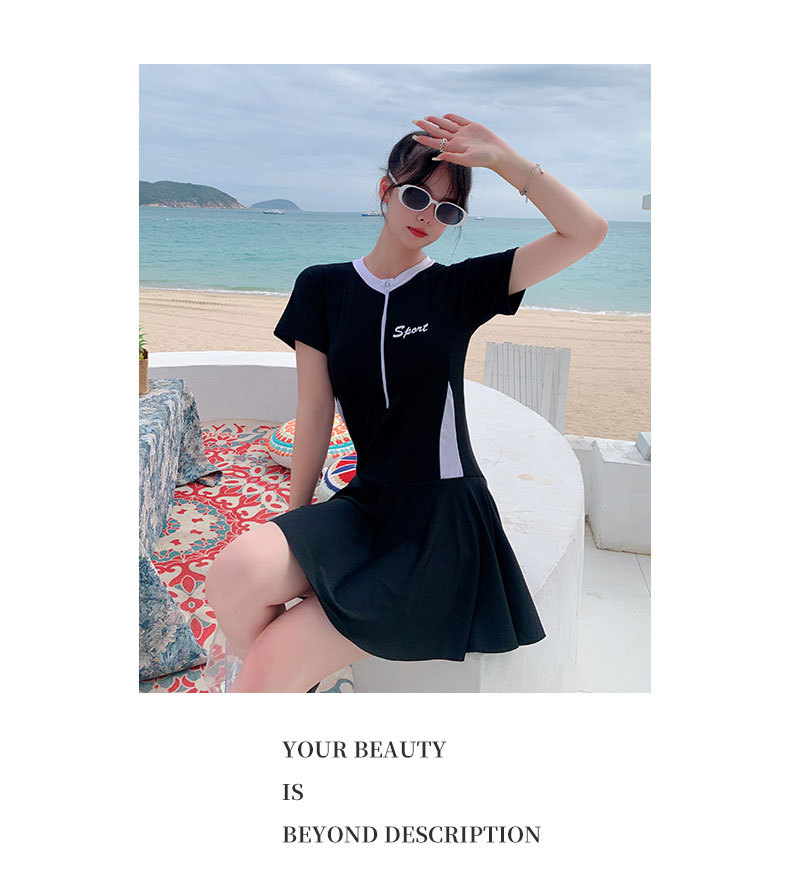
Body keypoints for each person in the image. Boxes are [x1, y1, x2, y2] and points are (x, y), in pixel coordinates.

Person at [205, 112, 608, 693]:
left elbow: (586, 231)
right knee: (230, 575)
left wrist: (504, 161)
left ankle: (297, 678)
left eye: (448, 210)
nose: (427, 216)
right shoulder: (322, 288)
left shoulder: (456, 290)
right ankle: (310, 682)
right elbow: (314, 412)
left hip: (440, 523)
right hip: (366, 505)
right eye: (417, 195)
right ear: (385, 190)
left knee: (270, 661)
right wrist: (300, 521)